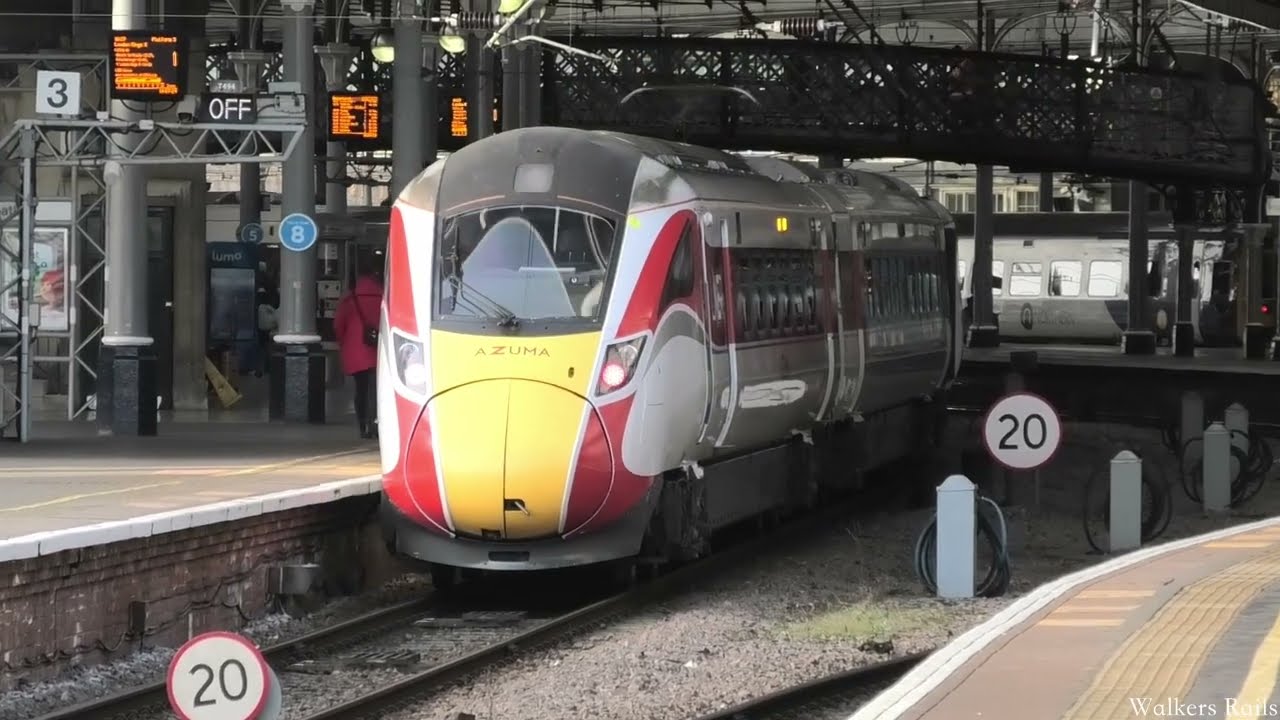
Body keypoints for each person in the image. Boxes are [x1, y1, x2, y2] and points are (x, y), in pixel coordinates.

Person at [334, 272, 384, 439]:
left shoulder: (350, 299)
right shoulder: (384, 298)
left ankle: (363, 425)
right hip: (379, 351)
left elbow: (338, 325)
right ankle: (375, 424)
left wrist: (344, 343)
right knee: (376, 390)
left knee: (361, 389)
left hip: (356, 353)